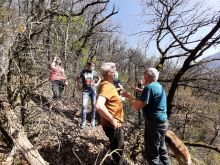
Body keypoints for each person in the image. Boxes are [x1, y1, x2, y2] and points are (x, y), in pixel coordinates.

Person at [121, 68, 171, 165]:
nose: (143, 76)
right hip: (162, 124)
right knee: (162, 151)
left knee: (152, 156)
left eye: (144, 74)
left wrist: (128, 96)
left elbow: (137, 106)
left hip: (154, 125)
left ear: (148, 76)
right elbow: (152, 96)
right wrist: (141, 91)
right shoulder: (158, 86)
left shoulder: (149, 88)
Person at [96, 62, 124, 165]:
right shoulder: (107, 86)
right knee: (118, 156)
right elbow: (99, 105)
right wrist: (112, 120)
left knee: (115, 154)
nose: (116, 73)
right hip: (113, 125)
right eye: (114, 71)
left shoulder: (108, 85)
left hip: (112, 124)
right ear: (109, 73)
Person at [76, 62, 101, 129]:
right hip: (85, 91)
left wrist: (96, 84)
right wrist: (79, 86)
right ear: (87, 66)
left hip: (93, 90)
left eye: (93, 66)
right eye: (90, 66)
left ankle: (92, 120)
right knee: (84, 106)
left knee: (93, 105)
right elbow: (77, 78)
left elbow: (99, 78)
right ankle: (83, 122)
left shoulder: (95, 72)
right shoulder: (83, 72)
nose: (91, 67)